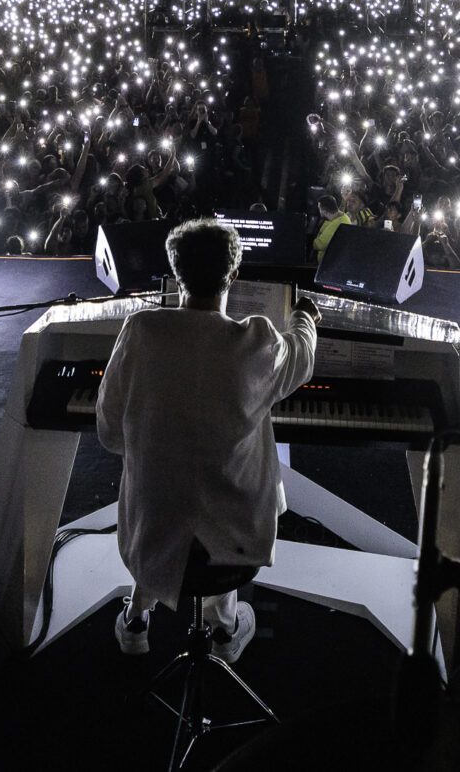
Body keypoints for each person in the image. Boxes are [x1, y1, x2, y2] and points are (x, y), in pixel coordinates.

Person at [95, 218, 318, 660]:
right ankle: (225, 631)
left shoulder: (140, 331)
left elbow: (109, 431)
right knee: (224, 484)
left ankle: (137, 620)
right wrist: (304, 318)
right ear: (232, 276)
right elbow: (301, 356)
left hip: (150, 535)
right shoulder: (258, 340)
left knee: (168, 490)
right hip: (236, 545)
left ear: (175, 272)